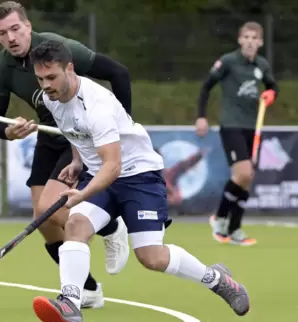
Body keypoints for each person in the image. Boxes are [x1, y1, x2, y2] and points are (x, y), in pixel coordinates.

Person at [28, 40, 251, 322]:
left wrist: (81, 195)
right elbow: (75, 131)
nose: (46, 84)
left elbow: (113, 167)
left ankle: (217, 280)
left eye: (51, 77)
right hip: (100, 174)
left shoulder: (98, 106)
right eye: (40, 78)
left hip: (138, 177)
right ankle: (70, 302)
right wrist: (77, 161)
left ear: (69, 69)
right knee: (76, 224)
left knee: (151, 258)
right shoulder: (51, 97)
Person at [0, 1, 131, 308]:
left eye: (15, 29)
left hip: (77, 136)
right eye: (2, 33)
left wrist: (121, 126)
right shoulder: (1, 69)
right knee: (44, 221)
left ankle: (111, 226)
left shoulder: (60, 49)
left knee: (52, 207)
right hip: (49, 138)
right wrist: (9, 132)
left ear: (27, 26)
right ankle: (89, 289)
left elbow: (119, 73)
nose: (11, 38)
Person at [195, 21, 279, 246]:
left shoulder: (262, 64)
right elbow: (206, 87)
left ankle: (234, 229)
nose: (251, 42)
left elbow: (273, 87)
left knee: (247, 178)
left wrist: (271, 94)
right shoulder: (229, 62)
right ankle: (220, 216)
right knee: (242, 172)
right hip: (231, 124)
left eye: (255, 38)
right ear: (240, 40)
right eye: (247, 37)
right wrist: (201, 116)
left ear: (260, 42)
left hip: (254, 126)